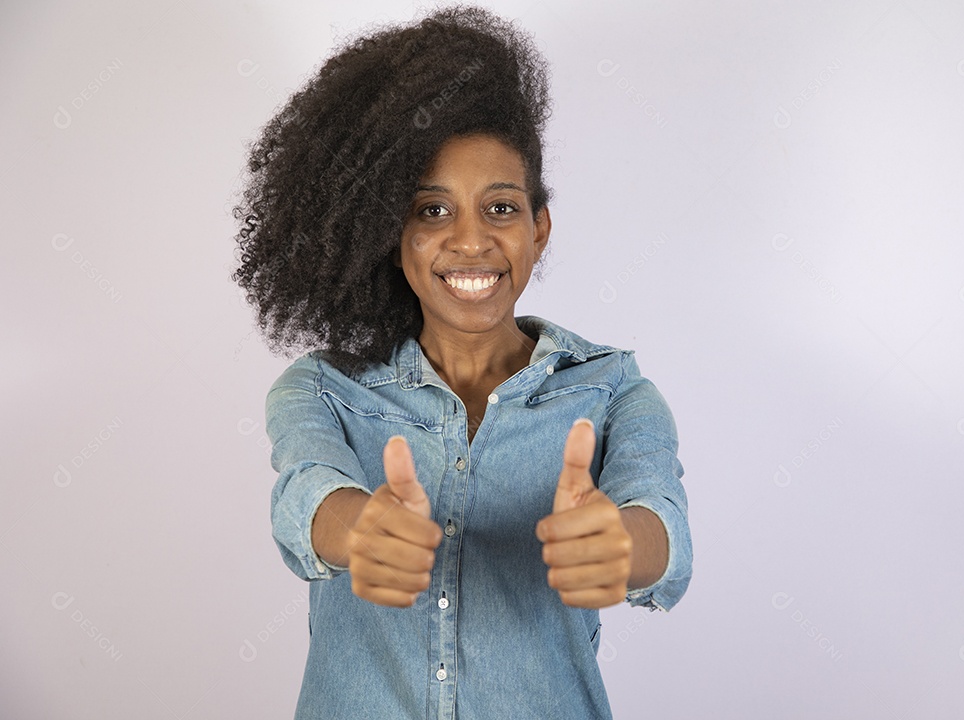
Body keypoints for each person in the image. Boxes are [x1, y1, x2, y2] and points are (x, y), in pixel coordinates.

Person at [232, 6, 692, 718]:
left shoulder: (610, 393)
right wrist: (360, 529)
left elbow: (660, 525)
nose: (471, 242)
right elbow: (304, 494)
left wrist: (619, 544)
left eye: (501, 209)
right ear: (390, 233)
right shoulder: (323, 390)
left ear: (539, 228)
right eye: (433, 212)